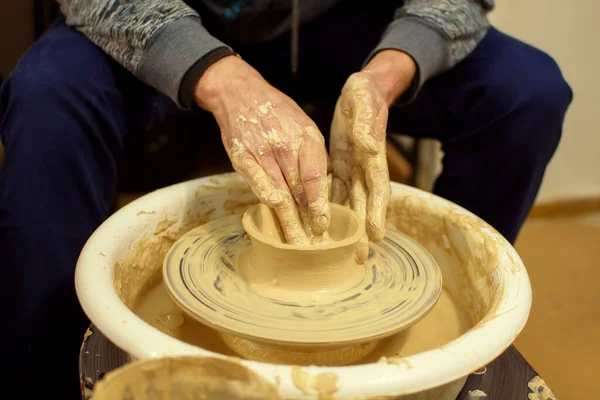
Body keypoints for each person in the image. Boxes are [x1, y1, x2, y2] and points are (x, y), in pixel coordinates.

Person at [0, 0, 572, 397]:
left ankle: (449, 354)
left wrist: (386, 75)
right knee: (46, 97)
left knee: (529, 93)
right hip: (172, 20)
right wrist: (218, 75)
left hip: (345, 25)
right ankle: (45, 377)